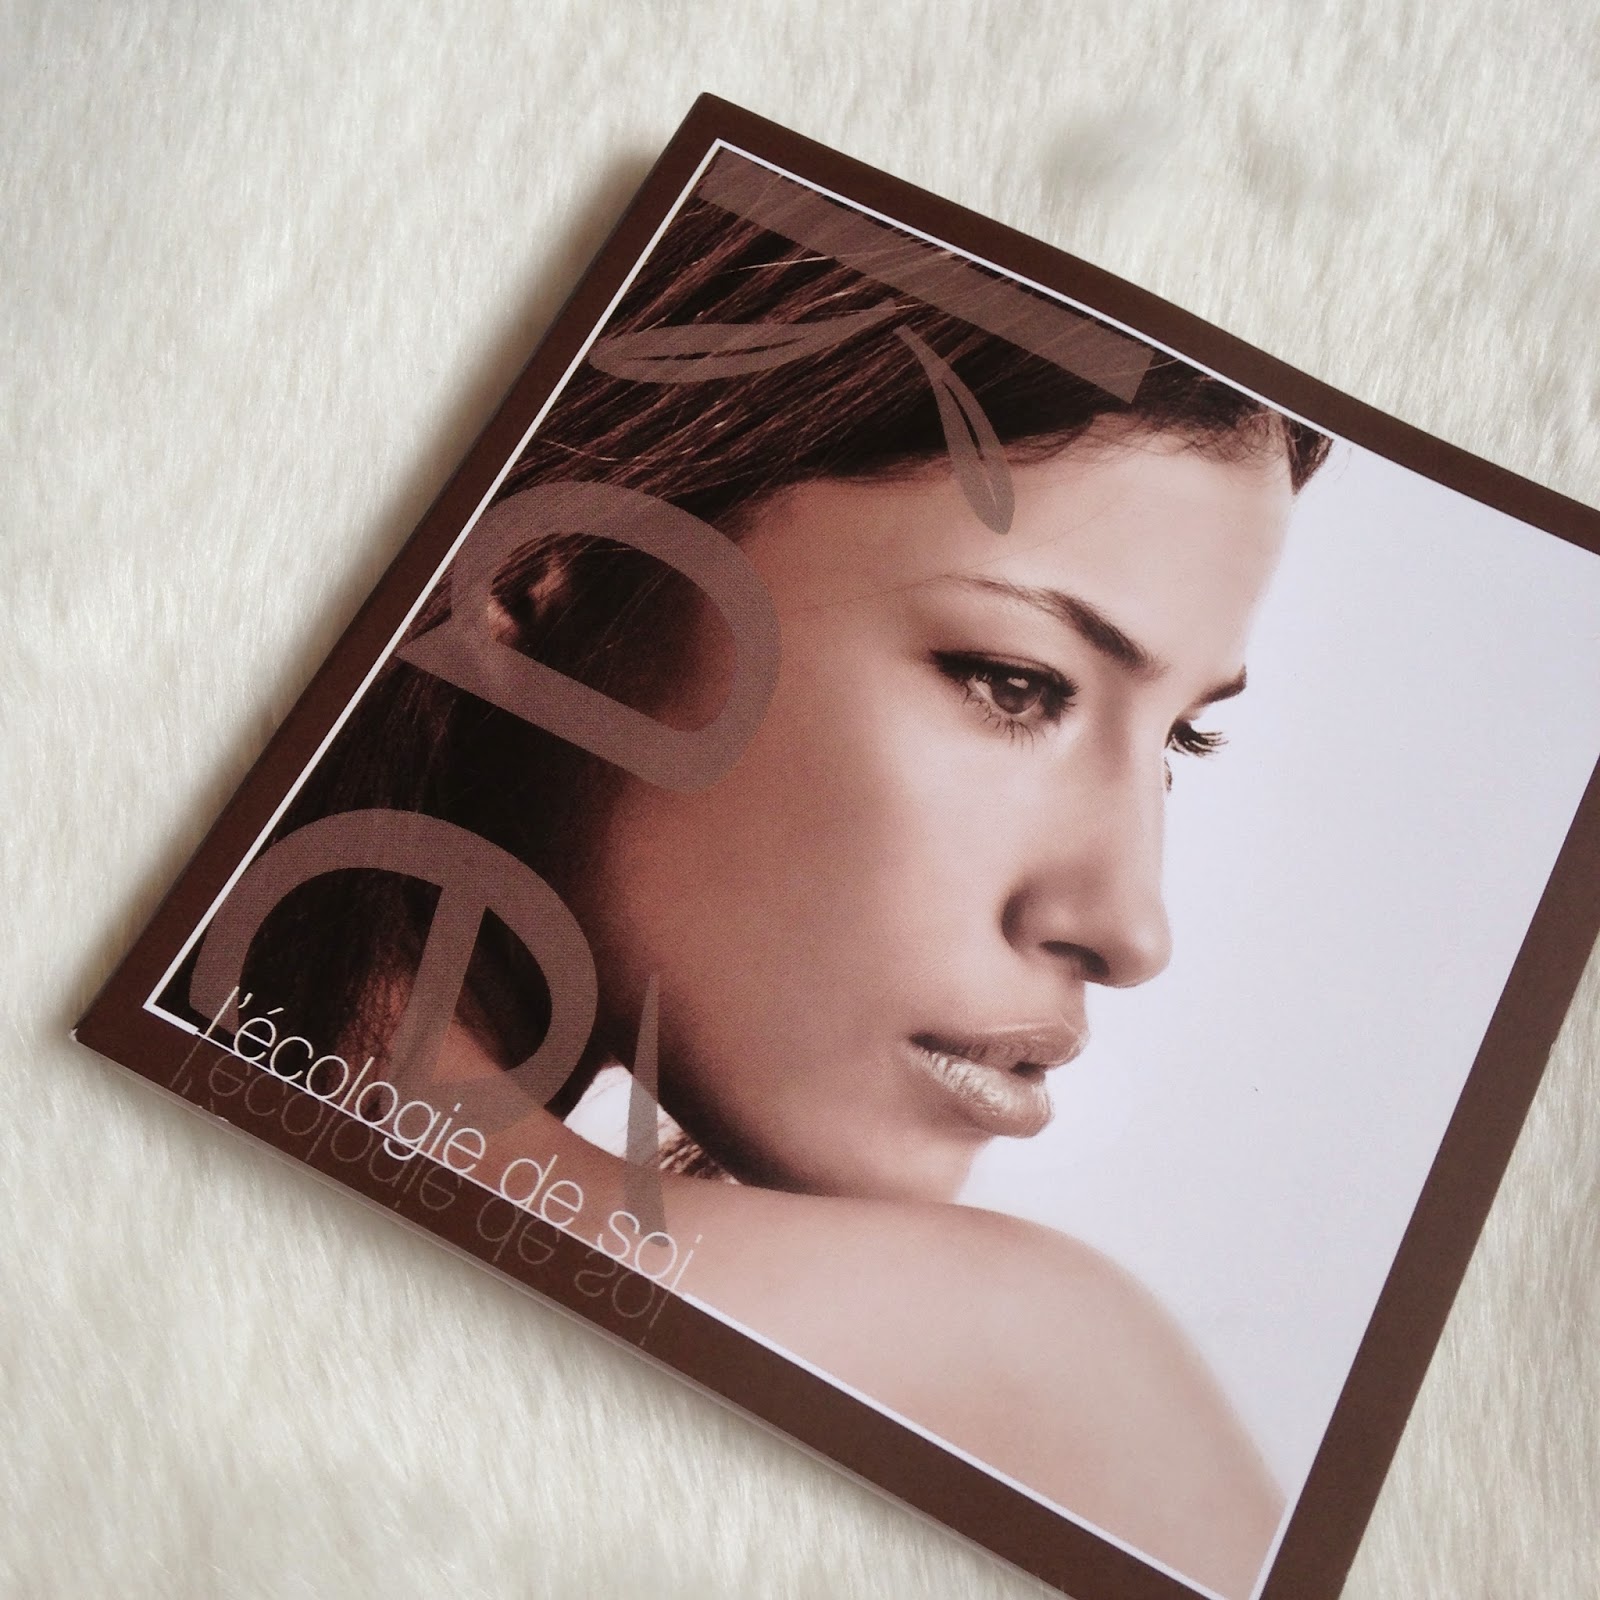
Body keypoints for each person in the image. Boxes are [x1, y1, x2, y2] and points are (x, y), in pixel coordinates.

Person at [214, 173, 1329, 1596]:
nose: (1126, 926)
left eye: (1179, 740)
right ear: (552, 568)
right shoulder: (1032, 1368)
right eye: (1016, 682)